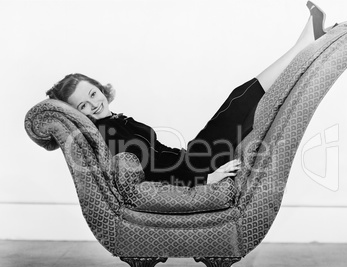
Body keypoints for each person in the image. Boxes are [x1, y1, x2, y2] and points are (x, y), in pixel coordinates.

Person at [46, 1, 331, 187]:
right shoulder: (107, 133)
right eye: (83, 105)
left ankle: (305, 46)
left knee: (244, 99)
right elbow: (152, 168)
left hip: (192, 157)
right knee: (243, 100)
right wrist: (205, 178)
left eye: (93, 93)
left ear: (100, 88)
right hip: (197, 164)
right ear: (75, 113)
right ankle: (305, 46)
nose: (94, 105)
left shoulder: (112, 124)